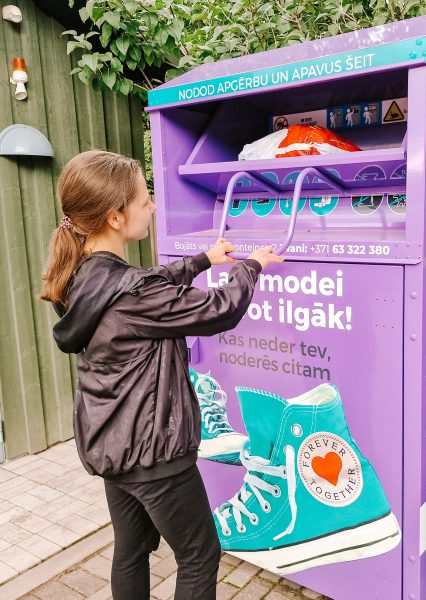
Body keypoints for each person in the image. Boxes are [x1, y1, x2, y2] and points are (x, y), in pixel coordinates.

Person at [40, 150, 283, 600]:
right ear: (115, 217)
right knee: (199, 556)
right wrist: (252, 267)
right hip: (153, 455)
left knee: (131, 551)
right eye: (143, 199)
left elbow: (148, 284)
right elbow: (219, 308)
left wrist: (203, 260)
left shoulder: (81, 274)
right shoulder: (132, 293)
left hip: (112, 446)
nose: (152, 206)